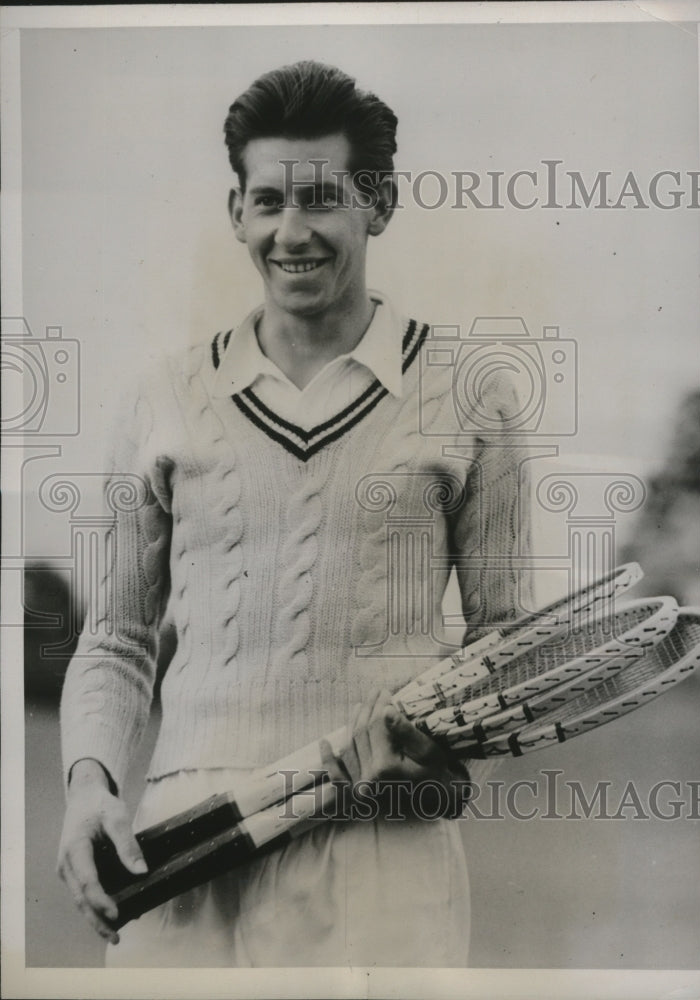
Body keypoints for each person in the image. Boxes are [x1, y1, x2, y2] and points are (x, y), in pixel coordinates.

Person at [57, 60, 532, 968]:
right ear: (236, 211)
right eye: (267, 201)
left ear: (378, 205)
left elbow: (498, 646)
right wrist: (91, 787)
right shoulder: (161, 396)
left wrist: (437, 746)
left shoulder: (471, 393)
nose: (293, 231)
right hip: (181, 844)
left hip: (380, 849)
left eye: (321, 200)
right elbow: (116, 637)